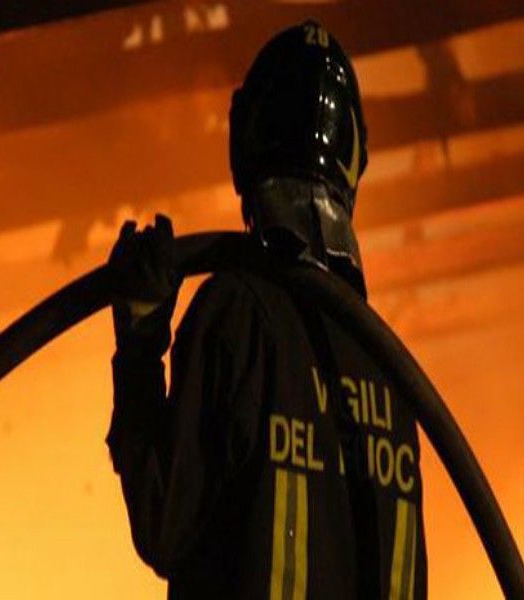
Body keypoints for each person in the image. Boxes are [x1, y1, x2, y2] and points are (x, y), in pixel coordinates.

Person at [106, 21, 427, 599]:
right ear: (355, 155)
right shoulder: (390, 370)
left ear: (245, 145)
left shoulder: (239, 315)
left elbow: (163, 521)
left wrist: (139, 342)